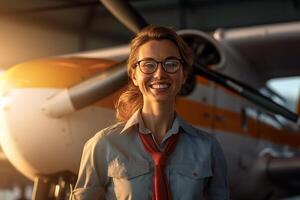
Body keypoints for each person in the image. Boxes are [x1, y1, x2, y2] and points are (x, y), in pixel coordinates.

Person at [71, 25, 229, 200]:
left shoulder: (209, 148)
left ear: (184, 75)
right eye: (148, 65)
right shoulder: (103, 145)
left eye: (171, 64)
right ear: (134, 76)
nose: (160, 73)